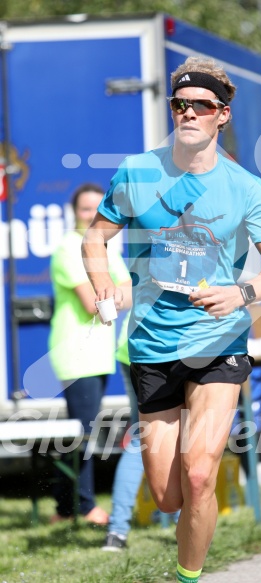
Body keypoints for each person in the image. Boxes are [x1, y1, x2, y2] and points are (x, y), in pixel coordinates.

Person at [81, 57, 261, 581]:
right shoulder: (138, 171)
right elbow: (95, 238)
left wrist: (242, 292)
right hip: (153, 343)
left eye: (201, 106)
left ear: (221, 115)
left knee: (200, 476)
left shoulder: (243, 186)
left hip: (217, 341)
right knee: (168, 492)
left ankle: (188, 577)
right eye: (180, 104)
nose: (189, 113)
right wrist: (101, 280)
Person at [48, 182, 131, 525]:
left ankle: (64, 509)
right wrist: (113, 293)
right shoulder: (69, 249)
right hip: (75, 352)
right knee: (82, 433)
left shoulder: (107, 249)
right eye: (85, 208)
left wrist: (111, 294)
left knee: (82, 432)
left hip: (98, 353)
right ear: (75, 212)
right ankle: (83, 506)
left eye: (98, 209)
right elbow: (94, 303)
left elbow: (128, 293)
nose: (91, 215)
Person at [102, 311, 144, 550]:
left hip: (131, 344)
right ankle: (188, 527)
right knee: (182, 436)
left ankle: (117, 532)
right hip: (166, 346)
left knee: (141, 439)